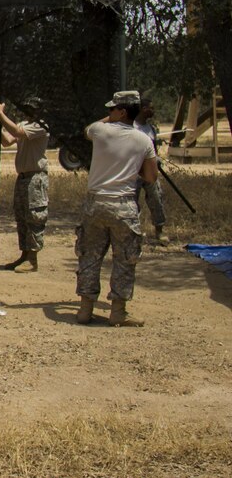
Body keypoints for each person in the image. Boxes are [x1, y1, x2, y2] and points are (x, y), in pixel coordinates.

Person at [75, 90, 158, 327]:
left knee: (89, 256)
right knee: (124, 259)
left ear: (122, 111)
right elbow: (151, 177)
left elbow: (88, 129)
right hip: (124, 205)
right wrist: (132, 169)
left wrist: (109, 120)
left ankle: (85, 309)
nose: (108, 113)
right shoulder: (144, 140)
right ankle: (118, 311)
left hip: (96, 203)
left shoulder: (100, 131)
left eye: (112, 109)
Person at [0, 98, 50, 273]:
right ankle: (24, 254)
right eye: (27, 109)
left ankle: (32, 259)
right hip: (23, 177)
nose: (29, 112)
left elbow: (18, 132)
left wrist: (1, 114)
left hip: (36, 177)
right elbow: (7, 141)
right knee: (21, 216)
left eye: (32, 109)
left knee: (34, 216)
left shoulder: (41, 126)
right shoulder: (25, 124)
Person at [134, 97, 166, 242]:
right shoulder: (131, 127)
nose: (152, 111)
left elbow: (153, 150)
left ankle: (159, 231)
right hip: (133, 172)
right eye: (150, 108)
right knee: (132, 203)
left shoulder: (151, 129)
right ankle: (133, 232)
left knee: (156, 199)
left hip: (149, 172)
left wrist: (156, 160)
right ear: (142, 109)